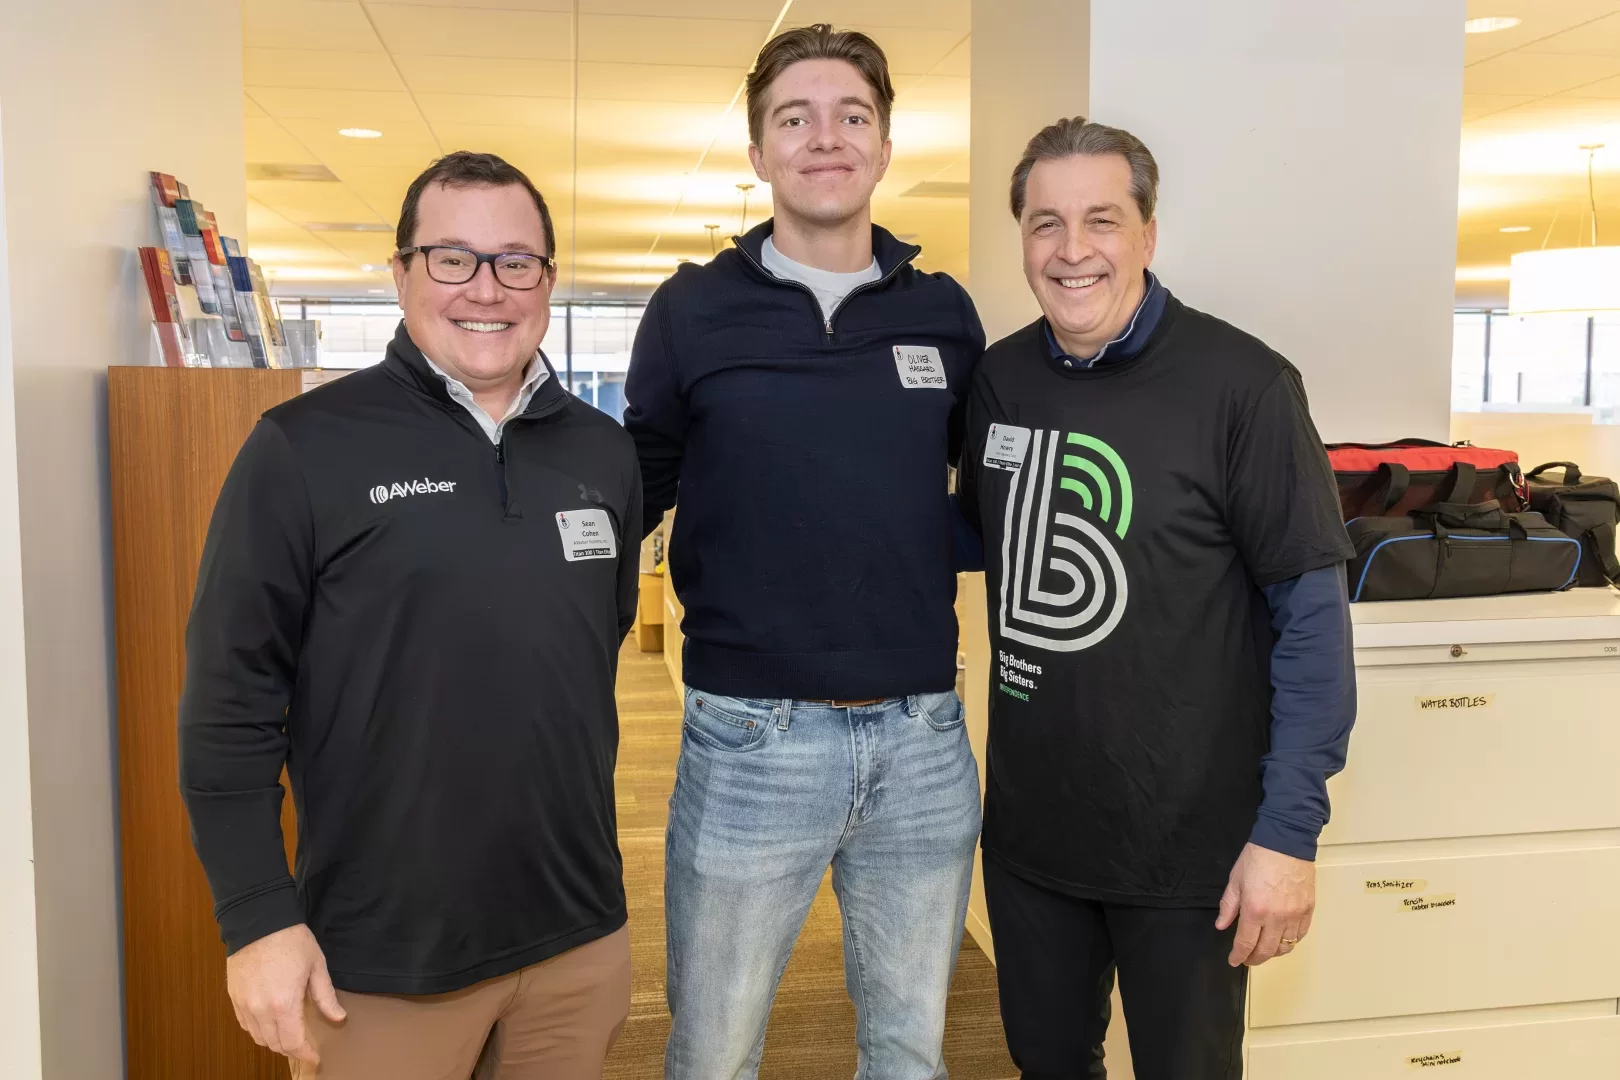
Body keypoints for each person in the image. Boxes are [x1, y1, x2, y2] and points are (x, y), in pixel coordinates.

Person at [179, 151, 640, 1080]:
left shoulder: (604, 451)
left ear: (547, 280)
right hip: (382, 956)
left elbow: (596, 638)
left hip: (578, 936)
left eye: (516, 261)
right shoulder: (302, 447)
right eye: (452, 258)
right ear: (401, 273)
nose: (487, 288)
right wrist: (256, 918)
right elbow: (230, 700)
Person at [957, 117, 1357, 1079]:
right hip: (1032, 841)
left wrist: (1287, 837)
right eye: (1046, 223)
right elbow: (971, 541)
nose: (1072, 249)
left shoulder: (1245, 386)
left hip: (1192, 853)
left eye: (1101, 219)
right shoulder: (1000, 378)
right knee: (1046, 1063)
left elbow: (1312, 628)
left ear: (1147, 233)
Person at [622, 24, 986, 1080]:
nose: (825, 137)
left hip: (923, 737)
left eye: (850, 116)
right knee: (714, 1054)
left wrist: (903, 544)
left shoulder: (942, 312)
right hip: (750, 738)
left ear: (883, 146)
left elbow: (985, 491)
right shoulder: (692, 310)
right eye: (796, 118)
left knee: (910, 1052)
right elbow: (635, 487)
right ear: (759, 152)